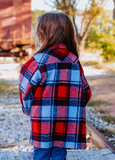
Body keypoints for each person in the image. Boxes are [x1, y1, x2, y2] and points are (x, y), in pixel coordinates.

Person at [19, 12, 91, 160]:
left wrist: (27, 108)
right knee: (60, 153)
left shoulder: (38, 61)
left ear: (42, 33)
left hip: (42, 121)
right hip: (66, 122)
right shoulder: (74, 60)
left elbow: (24, 88)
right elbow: (85, 91)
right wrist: (73, 108)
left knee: (41, 154)